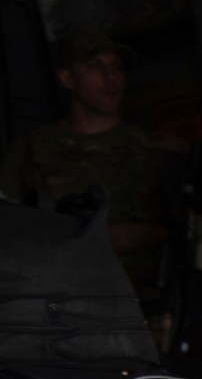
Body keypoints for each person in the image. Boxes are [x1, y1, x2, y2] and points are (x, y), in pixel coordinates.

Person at [0, 30, 182, 329]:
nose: (110, 78)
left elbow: (190, 230)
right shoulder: (33, 150)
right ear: (67, 79)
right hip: (65, 314)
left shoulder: (156, 149)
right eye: (96, 67)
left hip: (146, 309)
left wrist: (149, 235)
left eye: (116, 68)